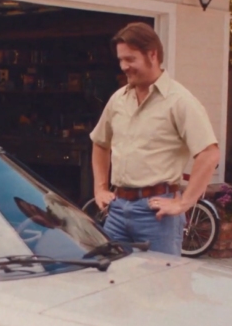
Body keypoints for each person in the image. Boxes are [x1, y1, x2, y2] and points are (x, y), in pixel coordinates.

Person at [89, 22, 220, 256]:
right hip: (117, 210)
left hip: (156, 214)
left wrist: (184, 203)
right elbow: (100, 143)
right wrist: (100, 188)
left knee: (160, 279)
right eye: (121, 60)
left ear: (152, 55)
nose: (124, 66)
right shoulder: (118, 99)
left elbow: (209, 154)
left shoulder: (179, 101)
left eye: (130, 59)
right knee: (110, 275)